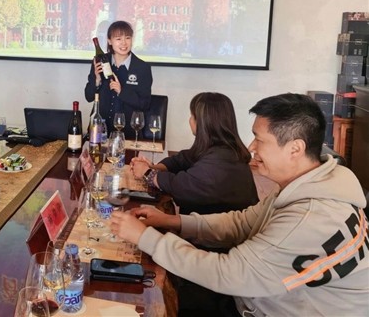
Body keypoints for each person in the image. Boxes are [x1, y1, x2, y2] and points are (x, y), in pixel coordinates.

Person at [111, 93, 368, 316]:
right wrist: (172, 221)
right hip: (261, 295)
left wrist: (145, 238)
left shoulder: (309, 218)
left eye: (259, 139)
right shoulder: (309, 186)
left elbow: (229, 273)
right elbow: (241, 223)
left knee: (144, 298)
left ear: (295, 149)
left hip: (259, 305)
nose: (251, 147)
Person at [130, 92, 258, 215]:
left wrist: (148, 173)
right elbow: (182, 159)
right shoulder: (223, 148)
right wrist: (154, 167)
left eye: (192, 116)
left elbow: (181, 186)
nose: (189, 120)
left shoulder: (219, 161)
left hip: (216, 229)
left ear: (202, 122)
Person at [83, 20, 152, 138]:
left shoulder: (142, 68)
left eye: (128, 38)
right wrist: (97, 80)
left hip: (128, 133)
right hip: (99, 130)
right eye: (118, 39)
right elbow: (88, 97)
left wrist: (122, 91)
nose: (124, 43)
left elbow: (145, 104)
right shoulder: (100, 61)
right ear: (109, 41)